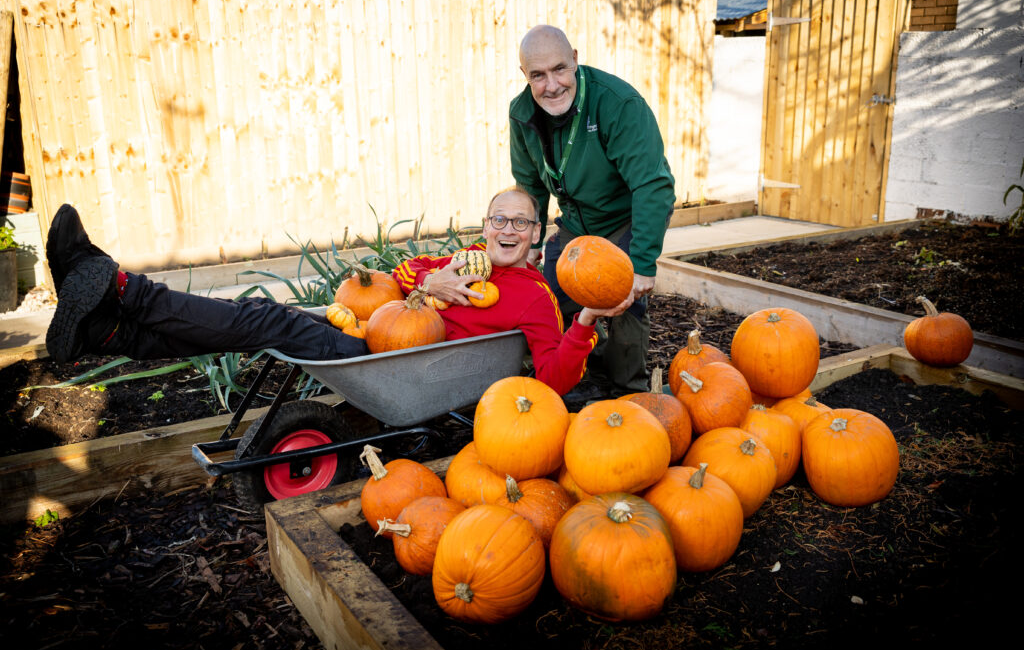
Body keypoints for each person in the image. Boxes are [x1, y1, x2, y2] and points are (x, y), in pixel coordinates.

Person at [44, 187, 622, 396]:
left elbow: (551, 379)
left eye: (521, 223)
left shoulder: (535, 295)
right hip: (374, 340)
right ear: (486, 224)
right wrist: (432, 279)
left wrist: (586, 322)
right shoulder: (464, 262)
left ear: (537, 234)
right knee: (256, 316)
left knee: (269, 322)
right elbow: (405, 271)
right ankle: (110, 330)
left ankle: (122, 288)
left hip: (406, 369)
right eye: (499, 219)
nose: (507, 231)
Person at [509, 24, 676, 400]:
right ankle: (564, 375)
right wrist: (530, 241)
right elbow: (529, 185)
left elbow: (652, 185)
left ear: (575, 61)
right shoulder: (521, 114)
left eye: (559, 69)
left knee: (620, 296)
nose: (551, 85)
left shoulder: (617, 104)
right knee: (547, 294)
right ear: (525, 76)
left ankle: (629, 391)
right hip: (576, 222)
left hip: (627, 214)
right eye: (538, 75)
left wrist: (644, 262)